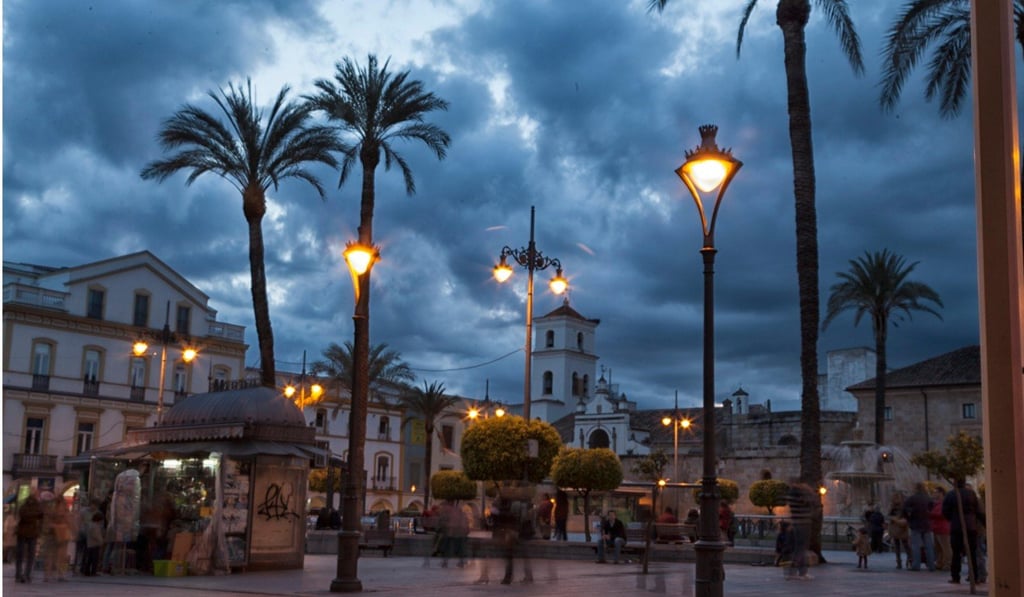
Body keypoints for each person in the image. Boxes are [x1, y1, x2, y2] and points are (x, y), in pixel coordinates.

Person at [943, 480, 981, 585]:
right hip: (971, 526)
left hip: (956, 527)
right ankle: (975, 577)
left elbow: (945, 511)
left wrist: (953, 518)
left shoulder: (951, 494)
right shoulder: (971, 493)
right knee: (972, 553)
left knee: (956, 553)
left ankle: (955, 577)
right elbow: (978, 510)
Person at [902, 482, 936, 571]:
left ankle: (916, 565)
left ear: (916, 488)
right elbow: (933, 509)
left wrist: (909, 518)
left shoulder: (912, 499)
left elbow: (904, 509)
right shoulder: (928, 498)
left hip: (915, 524)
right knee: (929, 546)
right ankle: (931, 565)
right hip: (927, 524)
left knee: (916, 546)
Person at [15, 489, 44, 583]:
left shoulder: (28, 506)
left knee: (23, 555)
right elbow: (25, 515)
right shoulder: (35, 507)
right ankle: (24, 575)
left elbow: (40, 516)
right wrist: (35, 517)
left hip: (26, 532)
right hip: (28, 532)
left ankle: (21, 575)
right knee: (28, 555)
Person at [785, 482, 814, 580]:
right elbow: (809, 505)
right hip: (803, 524)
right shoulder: (799, 497)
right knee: (800, 549)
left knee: (800, 548)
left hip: (798, 523)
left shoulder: (792, 497)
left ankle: (797, 572)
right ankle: (798, 572)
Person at [43, 493, 72, 581]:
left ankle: (48, 575)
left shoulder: (51, 509)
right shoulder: (64, 509)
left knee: (50, 555)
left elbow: (47, 522)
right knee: (62, 556)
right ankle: (61, 574)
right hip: (61, 534)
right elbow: (68, 521)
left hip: (53, 534)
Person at [887, 492, 911, 568]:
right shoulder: (893, 507)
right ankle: (900, 561)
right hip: (896, 527)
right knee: (899, 545)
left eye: (897, 498)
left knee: (905, 544)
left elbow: (907, 516)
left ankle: (908, 560)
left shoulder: (902, 506)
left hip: (901, 526)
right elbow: (889, 516)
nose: (895, 499)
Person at [930, 487, 951, 571]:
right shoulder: (937, 503)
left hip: (943, 528)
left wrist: (930, 514)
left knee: (946, 548)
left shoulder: (944, 503)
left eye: (935, 492)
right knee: (939, 548)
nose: (934, 494)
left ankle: (948, 563)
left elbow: (942, 514)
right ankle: (940, 562)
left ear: (941, 493)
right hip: (936, 528)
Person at [82, 511, 105, 577]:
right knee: (94, 559)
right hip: (95, 544)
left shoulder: (90, 524)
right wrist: (101, 541)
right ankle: (93, 571)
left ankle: (87, 571)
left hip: (90, 544)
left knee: (89, 559)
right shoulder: (95, 526)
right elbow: (96, 535)